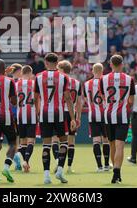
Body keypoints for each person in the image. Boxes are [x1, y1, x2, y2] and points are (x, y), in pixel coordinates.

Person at [34, 53, 75, 184]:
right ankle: (60, 171)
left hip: (45, 113)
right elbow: (68, 98)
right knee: (64, 142)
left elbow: (36, 98)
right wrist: (73, 118)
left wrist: (37, 113)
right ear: (57, 63)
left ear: (46, 62)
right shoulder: (63, 77)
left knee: (46, 144)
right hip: (60, 114)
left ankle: (46, 175)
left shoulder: (39, 77)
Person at [98, 54, 135, 184]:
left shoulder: (103, 79)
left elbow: (102, 97)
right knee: (120, 146)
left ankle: (116, 172)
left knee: (112, 144)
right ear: (122, 64)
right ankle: (117, 173)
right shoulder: (129, 79)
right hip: (123, 116)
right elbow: (131, 100)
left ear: (111, 64)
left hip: (108, 116)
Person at [83, 63, 110, 172]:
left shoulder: (86, 84)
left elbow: (85, 99)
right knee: (106, 140)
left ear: (92, 71)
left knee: (96, 141)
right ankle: (107, 165)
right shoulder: (106, 82)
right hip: (105, 115)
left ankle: (99, 166)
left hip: (92, 115)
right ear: (102, 70)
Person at [57, 60, 82, 174]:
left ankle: (59, 163)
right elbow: (79, 102)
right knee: (71, 141)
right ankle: (69, 167)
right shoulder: (77, 83)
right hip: (73, 113)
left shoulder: (59, 81)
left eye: (58, 68)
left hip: (62, 112)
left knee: (57, 140)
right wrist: (78, 117)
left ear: (61, 69)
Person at [15, 65, 36, 173]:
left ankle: (25, 162)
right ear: (30, 73)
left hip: (20, 115)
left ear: (22, 72)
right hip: (31, 114)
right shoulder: (33, 84)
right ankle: (26, 161)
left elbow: (13, 100)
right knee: (31, 141)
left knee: (22, 141)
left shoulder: (16, 84)